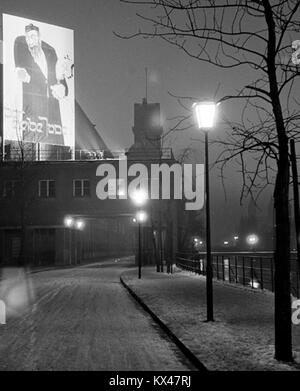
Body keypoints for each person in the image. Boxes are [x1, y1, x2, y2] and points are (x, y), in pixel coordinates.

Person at [14, 23, 68, 146]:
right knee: (32, 143)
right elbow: (20, 67)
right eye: (28, 37)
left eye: (33, 36)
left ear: (39, 37)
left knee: (55, 144)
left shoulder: (50, 51)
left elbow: (58, 75)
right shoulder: (20, 44)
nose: (30, 40)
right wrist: (20, 72)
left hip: (52, 111)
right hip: (33, 108)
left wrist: (62, 87)